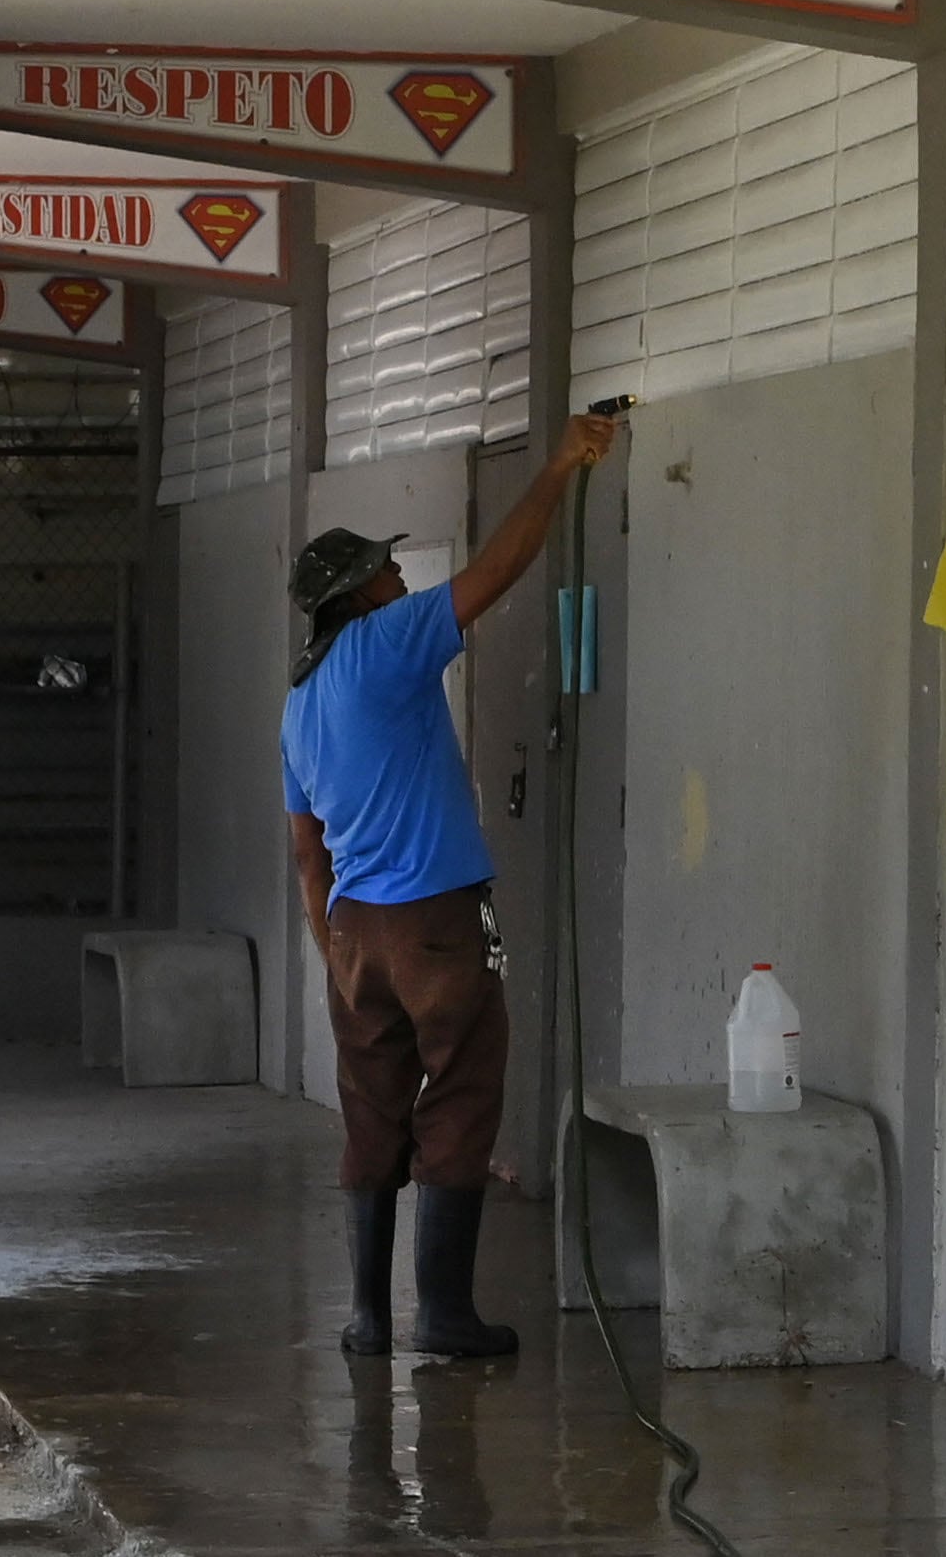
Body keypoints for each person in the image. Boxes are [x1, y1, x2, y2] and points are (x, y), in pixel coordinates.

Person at [283, 410, 620, 1359]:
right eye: (387, 572)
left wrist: (335, 949)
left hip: (355, 930)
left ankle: (366, 1316)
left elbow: (307, 852)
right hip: (433, 918)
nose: (402, 579)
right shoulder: (384, 641)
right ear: (359, 596)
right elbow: (498, 572)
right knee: (462, 1095)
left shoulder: (299, 703)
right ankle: (443, 1315)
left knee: (372, 1105)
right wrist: (557, 468)